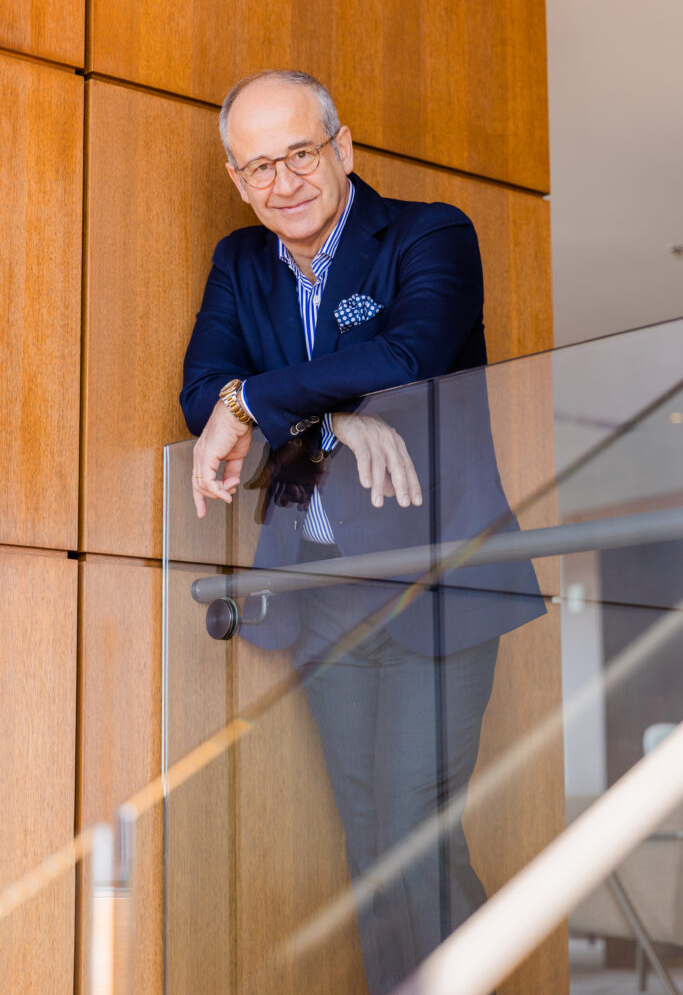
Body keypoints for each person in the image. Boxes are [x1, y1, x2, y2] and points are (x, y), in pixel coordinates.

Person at [181, 69, 543, 994]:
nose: (283, 182)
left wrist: (257, 399)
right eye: (258, 166)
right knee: (371, 825)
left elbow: (410, 354)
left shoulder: (428, 234)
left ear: (341, 149)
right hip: (323, 585)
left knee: (408, 824)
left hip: (437, 581)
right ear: (236, 178)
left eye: (300, 153)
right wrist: (335, 420)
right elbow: (200, 394)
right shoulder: (240, 262)